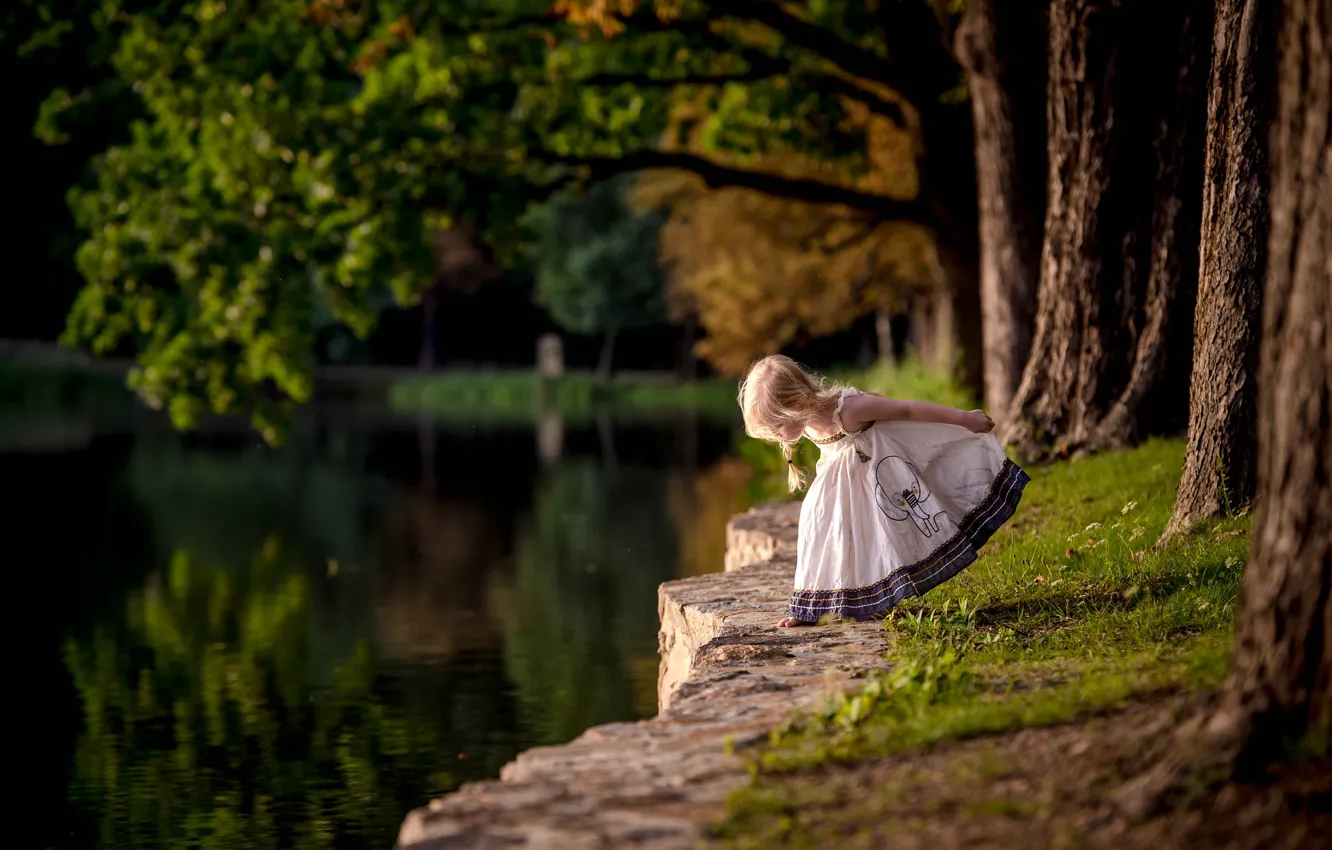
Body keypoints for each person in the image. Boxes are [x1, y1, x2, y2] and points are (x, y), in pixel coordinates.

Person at [738, 355, 1029, 627]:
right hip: (844, 488)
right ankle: (811, 606)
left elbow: (908, 409)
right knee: (818, 531)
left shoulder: (850, 410)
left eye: (777, 428)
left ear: (800, 402)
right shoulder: (808, 422)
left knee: (884, 540)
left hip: (880, 481)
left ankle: (882, 595)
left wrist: (964, 418)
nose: (777, 437)